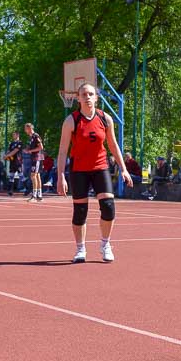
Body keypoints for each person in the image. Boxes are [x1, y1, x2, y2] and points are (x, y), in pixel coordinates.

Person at [56, 82, 133, 263]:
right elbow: (62, 151)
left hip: (100, 167)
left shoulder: (105, 119)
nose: (88, 97)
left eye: (91, 94)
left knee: (108, 207)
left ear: (97, 98)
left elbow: (113, 145)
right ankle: (80, 248)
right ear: (78, 98)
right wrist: (60, 176)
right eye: (84, 94)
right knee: (80, 211)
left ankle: (105, 244)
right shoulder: (71, 121)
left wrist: (124, 169)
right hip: (79, 170)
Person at [24, 123, 44, 201]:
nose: (25, 130)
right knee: (37, 176)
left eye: (25, 128)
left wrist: (30, 151)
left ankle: (34, 196)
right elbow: (30, 147)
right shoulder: (30, 137)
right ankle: (39, 195)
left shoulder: (36, 136)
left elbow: (41, 147)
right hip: (34, 158)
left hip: (37, 158)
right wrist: (27, 150)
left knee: (33, 176)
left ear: (29, 128)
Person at [4, 131, 23, 196]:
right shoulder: (12, 143)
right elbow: (9, 150)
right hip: (12, 162)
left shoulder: (20, 142)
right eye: (13, 135)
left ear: (17, 135)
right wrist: (6, 155)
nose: (13, 136)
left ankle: (27, 188)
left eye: (14, 135)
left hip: (18, 162)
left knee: (21, 176)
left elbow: (15, 151)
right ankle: (10, 190)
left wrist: (7, 155)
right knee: (11, 176)